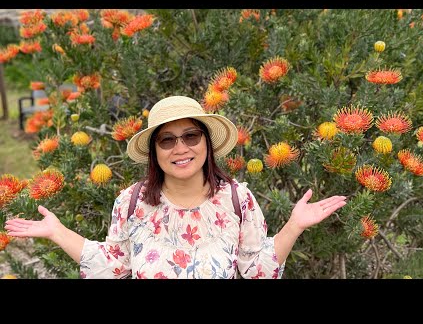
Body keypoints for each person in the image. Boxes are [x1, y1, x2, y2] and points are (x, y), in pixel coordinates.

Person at [5, 96, 347, 279]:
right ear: (154, 152)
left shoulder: (237, 199)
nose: (180, 148)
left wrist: (295, 225)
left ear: (207, 143)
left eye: (191, 136)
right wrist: (57, 232)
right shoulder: (131, 202)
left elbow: (257, 270)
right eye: (167, 140)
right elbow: (112, 266)